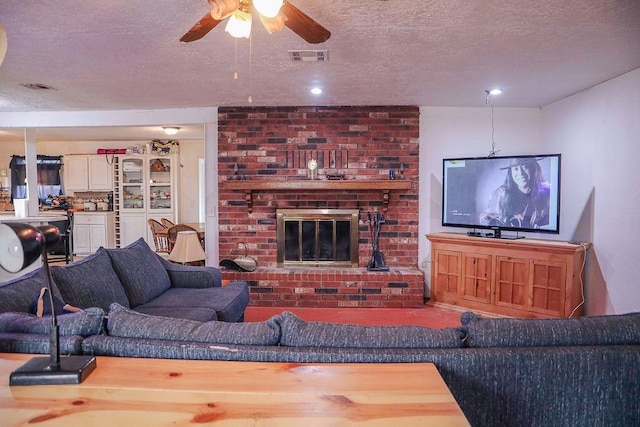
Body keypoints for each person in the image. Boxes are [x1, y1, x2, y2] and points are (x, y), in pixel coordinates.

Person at [479, 157, 550, 229]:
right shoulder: (500, 194)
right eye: (515, 169)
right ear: (511, 173)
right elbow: (486, 219)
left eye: (525, 167)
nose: (521, 173)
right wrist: (488, 218)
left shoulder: (547, 193)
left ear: (533, 169)